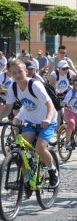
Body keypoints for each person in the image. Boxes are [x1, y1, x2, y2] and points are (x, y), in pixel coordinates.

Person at [0, 59, 59, 187]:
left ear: (26, 72)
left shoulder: (34, 85)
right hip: (31, 121)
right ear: (10, 73)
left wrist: (48, 119)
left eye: (20, 71)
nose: (17, 75)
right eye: (14, 73)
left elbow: (50, 104)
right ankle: (27, 179)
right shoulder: (13, 87)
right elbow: (7, 108)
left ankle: (52, 170)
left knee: (40, 148)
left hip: (48, 120)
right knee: (22, 150)